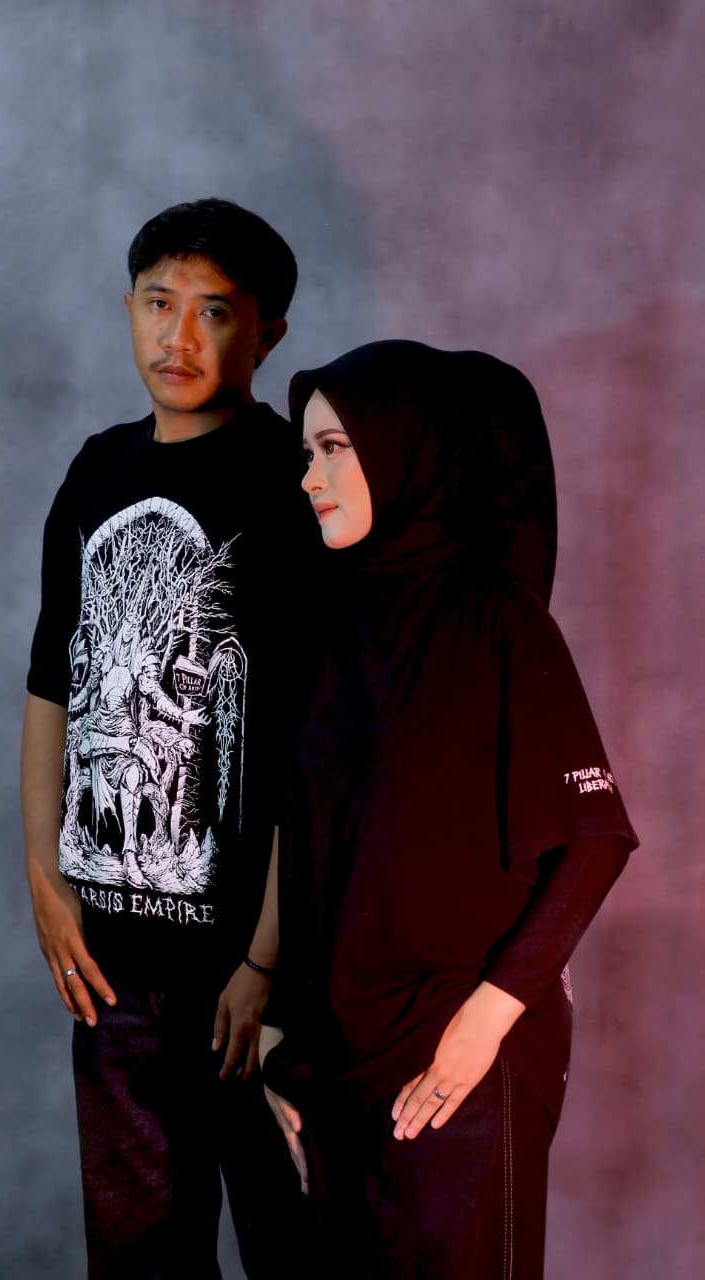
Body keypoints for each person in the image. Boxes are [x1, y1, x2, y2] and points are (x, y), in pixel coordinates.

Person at [260, 340, 638, 1279]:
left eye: (334, 448)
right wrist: (274, 1022)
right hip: (329, 1058)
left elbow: (594, 841)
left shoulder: (498, 617)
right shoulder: (322, 624)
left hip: (458, 1056)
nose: (308, 477)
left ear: (406, 452)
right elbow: (303, 839)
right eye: (306, 453)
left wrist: (483, 1025)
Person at [21, 197, 316, 1279]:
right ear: (128, 308)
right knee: (140, 1254)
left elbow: (314, 743)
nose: (178, 337)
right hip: (114, 969)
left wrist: (267, 956)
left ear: (267, 334)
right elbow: (52, 680)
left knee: (293, 1241)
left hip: (250, 972)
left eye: (214, 312)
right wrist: (45, 875)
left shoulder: (293, 484)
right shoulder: (97, 471)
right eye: (158, 303)